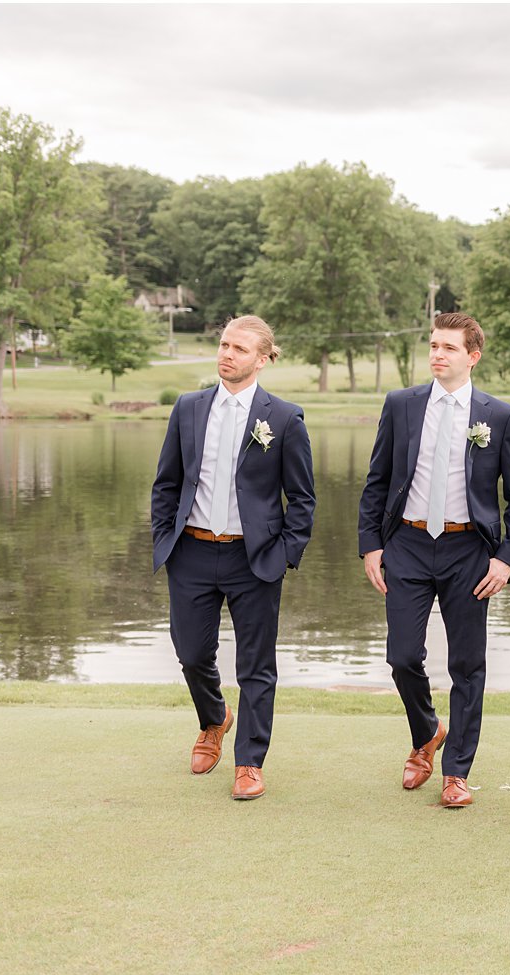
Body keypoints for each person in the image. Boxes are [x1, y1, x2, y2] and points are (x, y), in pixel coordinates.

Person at [358, 312, 510, 809]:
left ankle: (456, 771)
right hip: (407, 545)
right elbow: (376, 482)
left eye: (449, 348)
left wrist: (505, 560)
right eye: (433, 345)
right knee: (402, 656)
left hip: (469, 553)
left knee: (467, 665)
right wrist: (371, 544)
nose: (437, 354)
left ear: (472, 356)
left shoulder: (497, 416)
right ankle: (427, 732)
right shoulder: (401, 405)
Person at [151, 315, 315, 801]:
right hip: (192, 553)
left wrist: (285, 552)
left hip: (255, 558)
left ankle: (249, 762)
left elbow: (302, 499)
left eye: (239, 349)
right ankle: (214, 718)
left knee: (256, 666)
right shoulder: (188, 408)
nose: (227, 354)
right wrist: (166, 537)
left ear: (263, 358)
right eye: (223, 345)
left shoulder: (284, 418)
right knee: (192, 653)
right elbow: (166, 482)